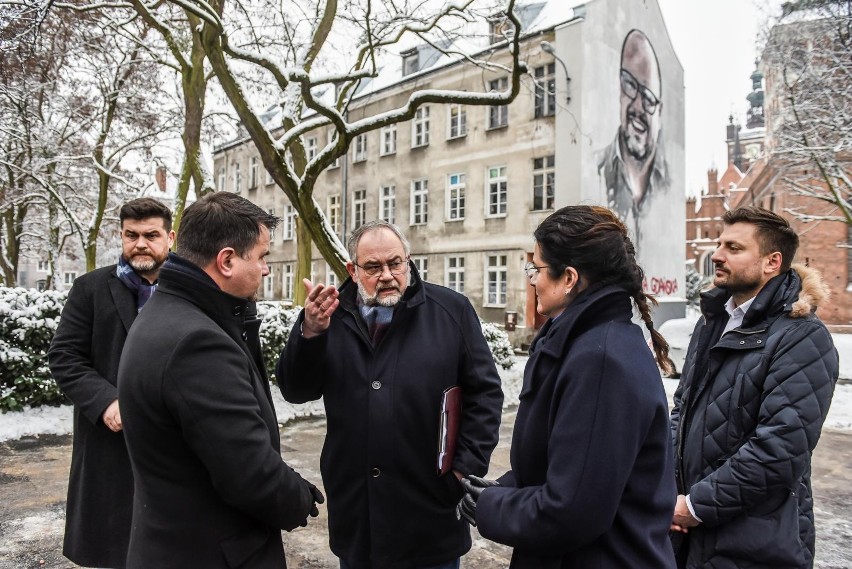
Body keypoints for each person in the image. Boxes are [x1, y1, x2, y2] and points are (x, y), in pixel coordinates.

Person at [457, 205, 677, 568]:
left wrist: (492, 507)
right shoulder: (583, 344)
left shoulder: (600, 360)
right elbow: (564, 465)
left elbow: (573, 510)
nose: (532, 279)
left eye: (537, 268)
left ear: (570, 278)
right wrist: (508, 489)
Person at [277, 220, 504, 569]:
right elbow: (295, 390)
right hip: (358, 512)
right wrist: (310, 332)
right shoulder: (328, 317)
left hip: (430, 511)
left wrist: (463, 469)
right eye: (372, 267)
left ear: (408, 260)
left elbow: (485, 395)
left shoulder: (451, 311)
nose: (387, 275)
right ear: (352, 270)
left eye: (395, 263)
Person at [117, 192, 323, 568]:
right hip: (211, 552)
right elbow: (248, 472)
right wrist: (299, 498)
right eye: (261, 256)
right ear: (226, 260)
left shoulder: (168, 312)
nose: (266, 269)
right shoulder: (198, 342)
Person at [669, 206, 839, 568]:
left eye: (734, 247)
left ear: (771, 262)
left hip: (754, 542)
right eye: (718, 244)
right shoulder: (712, 323)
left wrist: (696, 505)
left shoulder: (801, 337)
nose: (716, 254)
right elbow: (681, 411)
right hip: (686, 534)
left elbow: (781, 447)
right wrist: (670, 490)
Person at [48, 197, 174, 568]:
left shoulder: (190, 290)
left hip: (174, 442)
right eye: (131, 235)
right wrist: (106, 402)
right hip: (109, 446)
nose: (140, 243)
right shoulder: (90, 288)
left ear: (171, 237)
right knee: (113, 549)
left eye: (151, 235)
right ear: (120, 236)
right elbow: (64, 356)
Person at [596, 29, 670, 245]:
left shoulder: (666, 186)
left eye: (648, 97)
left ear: (660, 112)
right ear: (619, 90)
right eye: (629, 85)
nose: (637, 106)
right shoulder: (597, 168)